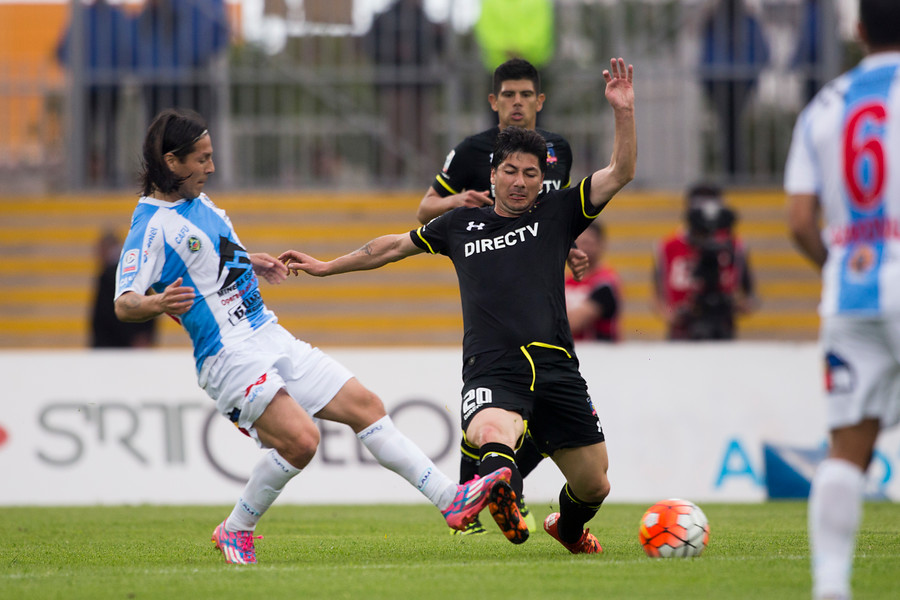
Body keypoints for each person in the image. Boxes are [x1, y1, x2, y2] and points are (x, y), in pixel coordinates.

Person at [113, 108, 511, 565]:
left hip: (266, 332)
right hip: (227, 354)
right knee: (301, 442)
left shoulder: (199, 204)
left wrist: (251, 260)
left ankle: (451, 501)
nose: (211, 167)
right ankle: (236, 529)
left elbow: (215, 255)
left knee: (367, 406)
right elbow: (124, 303)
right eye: (202, 159)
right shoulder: (150, 226)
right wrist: (156, 303)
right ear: (172, 161)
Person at [280, 57, 636, 552]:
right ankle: (495, 486)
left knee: (595, 483)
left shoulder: (558, 213)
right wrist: (325, 266)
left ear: (541, 180)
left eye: (530, 174)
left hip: (556, 364)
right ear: (492, 174)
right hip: (494, 363)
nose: (519, 181)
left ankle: (564, 526)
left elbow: (621, 171)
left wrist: (623, 110)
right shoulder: (460, 225)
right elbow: (389, 247)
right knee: (494, 429)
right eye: (509, 170)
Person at [416, 56, 587, 536]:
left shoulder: (557, 151)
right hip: (492, 280)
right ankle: (491, 482)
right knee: (512, 396)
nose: (516, 103)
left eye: (524, 95)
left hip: (543, 290)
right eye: (507, 95)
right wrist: (455, 202)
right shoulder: (473, 151)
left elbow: (551, 220)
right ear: (494, 102)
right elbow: (423, 209)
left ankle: (488, 483)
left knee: (536, 404)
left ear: (540, 101)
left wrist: (567, 251)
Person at [785, 2, 900, 597]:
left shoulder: (825, 105)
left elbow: (800, 220)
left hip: (852, 295)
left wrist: (841, 267)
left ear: (858, 32)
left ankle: (831, 590)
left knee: (846, 451)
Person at [652, 183, 758, 340]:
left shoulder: (735, 247)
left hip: (723, 327)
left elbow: (750, 296)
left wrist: (739, 304)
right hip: (682, 332)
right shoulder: (668, 247)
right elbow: (656, 296)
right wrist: (670, 315)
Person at [363, 0, 445, 182]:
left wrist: (440, 34)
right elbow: (370, 46)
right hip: (395, 86)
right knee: (395, 139)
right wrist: (394, 51)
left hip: (421, 87)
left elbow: (437, 48)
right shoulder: (387, 17)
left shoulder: (424, 18)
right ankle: (392, 181)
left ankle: (425, 182)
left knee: (423, 138)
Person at [57, 0, 136, 186]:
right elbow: (64, 50)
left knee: (96, 131)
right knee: (96, 131)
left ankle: (91, 175)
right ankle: (97, 174)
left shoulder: (86, 16)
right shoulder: (110, 16)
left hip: (100, 84)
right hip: (98, 84)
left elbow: (63, 51)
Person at [699, 0, 770, 176]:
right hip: (725, 83)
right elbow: (763, 53)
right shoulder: (718, 22)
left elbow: (762, 54)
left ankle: (734, 174)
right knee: (731, 131)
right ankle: (734, 174)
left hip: (731, 83)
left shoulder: (718, 22)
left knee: (731, 131)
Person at [136, 0, 230, 130]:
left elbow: (220, 33)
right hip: (160, 80)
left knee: (195, 135)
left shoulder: (205, 7)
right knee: (163, 136)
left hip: (193, 77)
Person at [91, 230, 157, 348]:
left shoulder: (110, 274)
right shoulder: (134, 269)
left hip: (115, 344)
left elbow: (107, 312)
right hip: (128, 340)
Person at [566, 220, 622, 342]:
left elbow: (575, 323)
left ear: (600, 245)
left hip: (598, 354)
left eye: (588, 243)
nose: (584, 248)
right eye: (579, 242)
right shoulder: (566, 280)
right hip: (572, 353)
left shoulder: (605, 282)